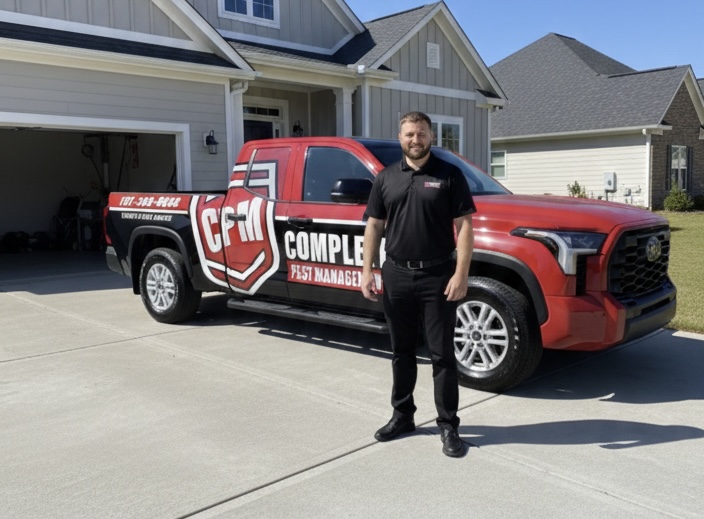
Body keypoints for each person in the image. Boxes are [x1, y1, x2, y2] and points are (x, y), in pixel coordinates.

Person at [361, 111, 476, 458]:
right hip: (395, 274)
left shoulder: (449, 175)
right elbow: (374, 226)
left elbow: (465, 227)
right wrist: (367, 270)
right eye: (409, 134)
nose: (416, 139)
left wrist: (461, 274)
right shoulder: (385, 178)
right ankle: (403, 415)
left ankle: (448, 425)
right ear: (401, 138)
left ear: (431, 137)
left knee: (442, 355)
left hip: (438, 276)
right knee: (401, 351)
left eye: (422, 133)